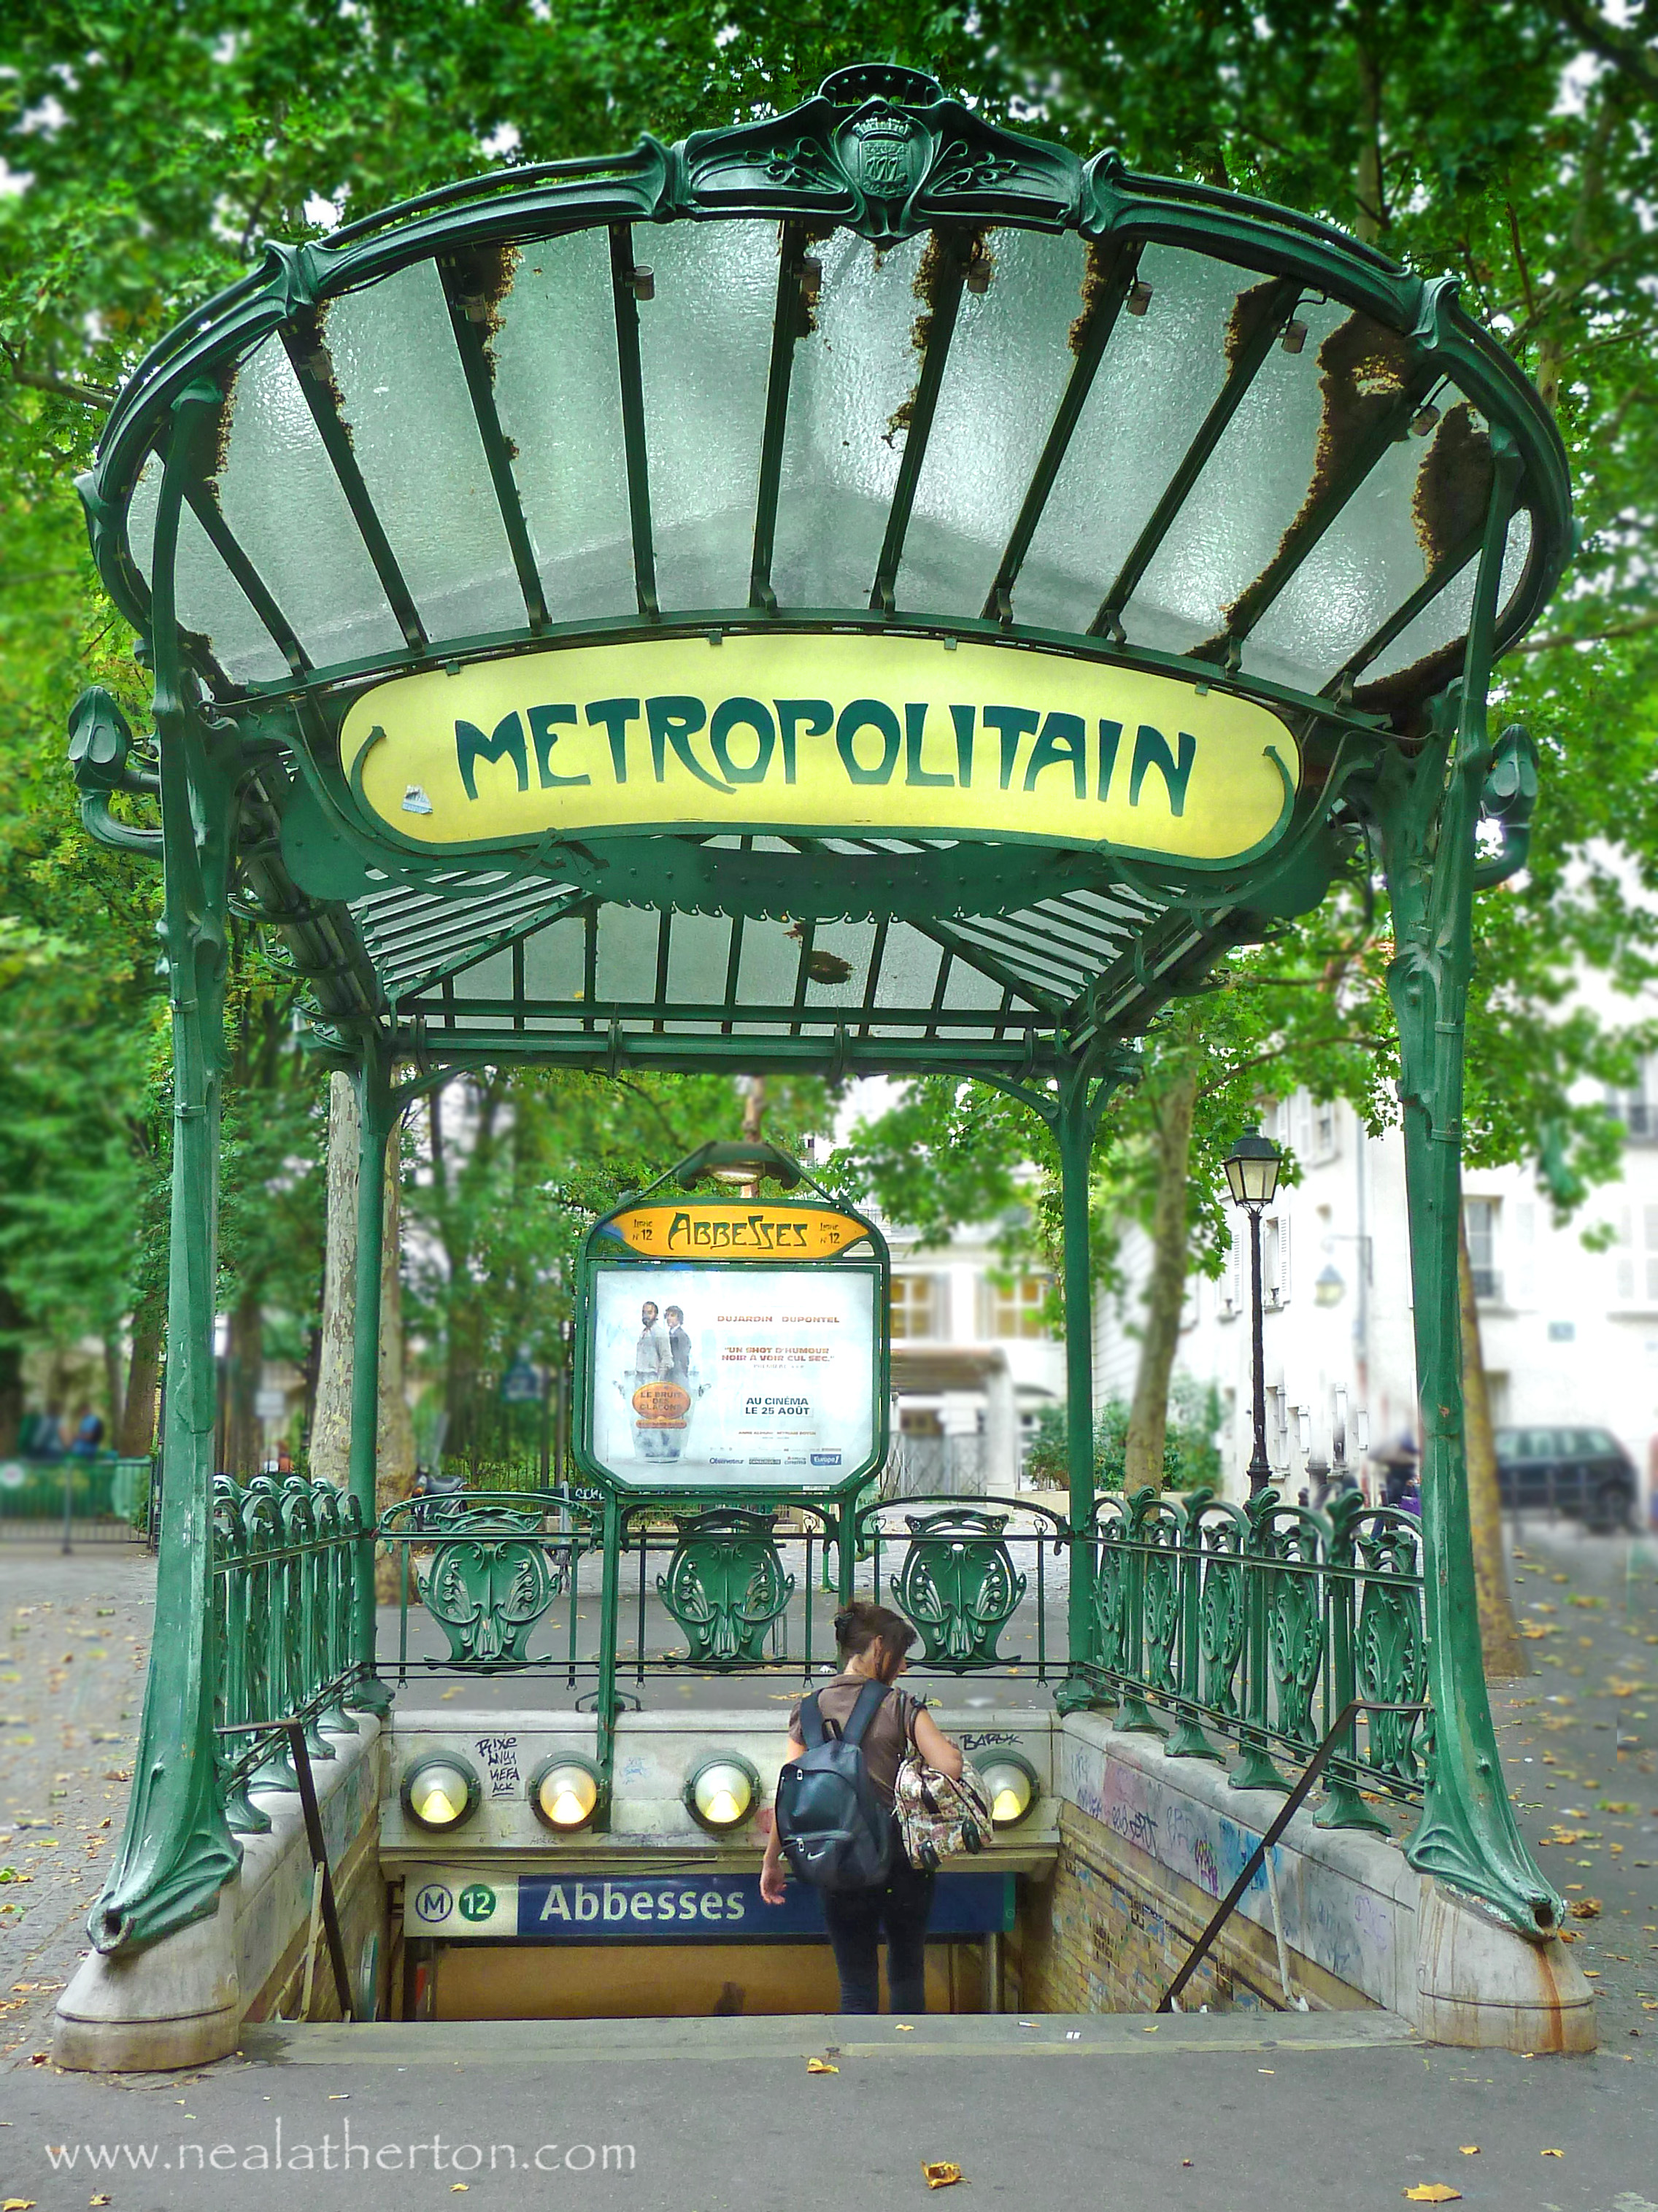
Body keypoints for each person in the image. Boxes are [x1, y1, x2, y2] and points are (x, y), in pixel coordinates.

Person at [760, 1599, 964, 2014]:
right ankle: (907, 2064)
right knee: (907, 1972)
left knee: (855, 1984)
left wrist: (771, 1861)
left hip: (836, 1861)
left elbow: (790, 1794)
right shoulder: (899, 1704)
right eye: (901, 1656)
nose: (904, 1667)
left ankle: (858, 2066)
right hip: (900, 1863)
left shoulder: (808, 1709)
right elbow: (951, 1768)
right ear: (877, 1647)